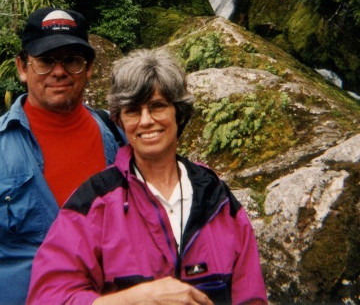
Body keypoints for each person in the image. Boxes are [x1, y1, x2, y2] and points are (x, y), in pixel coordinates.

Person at [27, 48, 268, 305]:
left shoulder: (217, 200)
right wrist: (137, 299)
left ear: (179, 112)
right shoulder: (95, 203)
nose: (146, 121)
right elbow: (46, 297)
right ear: (120, 120)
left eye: (157, 106)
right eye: (133, 110)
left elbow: (251, 298)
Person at [0, 7, 124, 305]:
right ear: (22, 67)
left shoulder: (120, 137)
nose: (59, 71)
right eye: (45, 61)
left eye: (71, 60)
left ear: (89, 67)